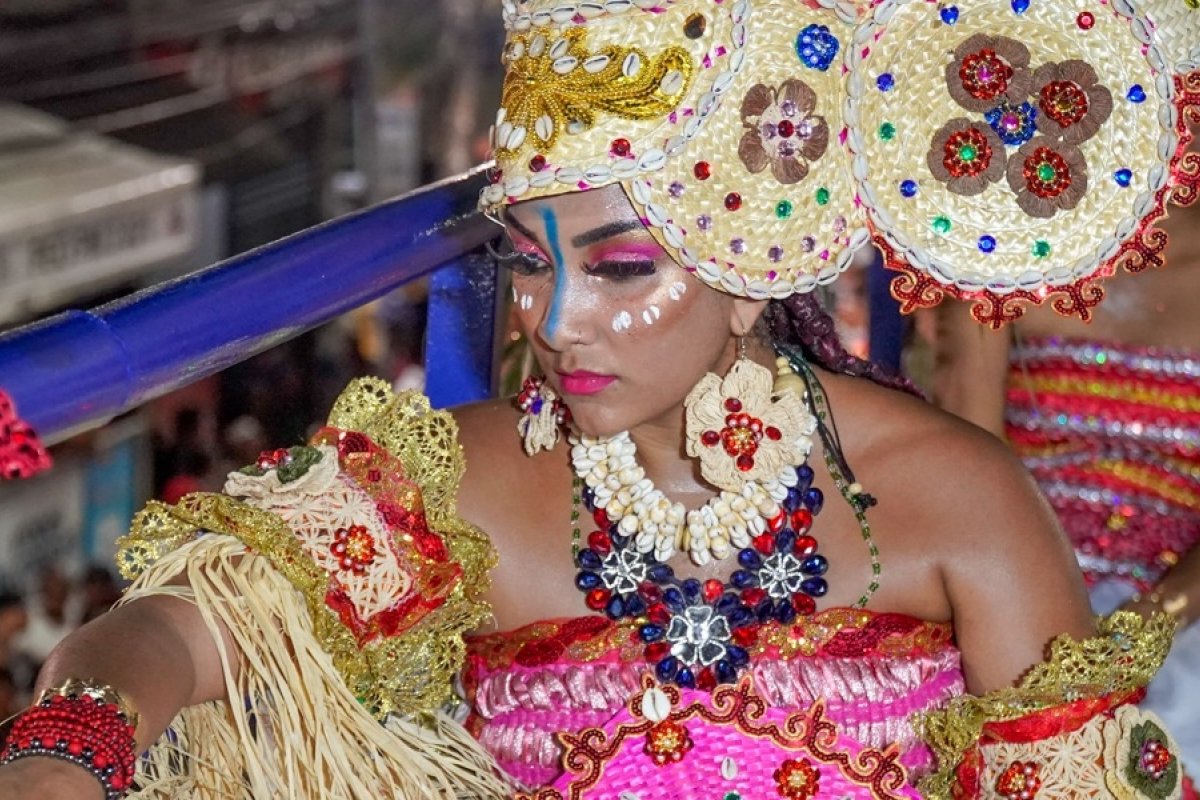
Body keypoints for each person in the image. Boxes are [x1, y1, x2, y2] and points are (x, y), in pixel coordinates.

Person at [0, 0, 1189, 798]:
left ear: (749, 275)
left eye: (620, 265)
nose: (550, 317)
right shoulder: (449, 484)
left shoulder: (959, 500)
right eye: (526, 256)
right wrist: (68, 749)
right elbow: (175, 626)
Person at [932, 193, 1200, 772]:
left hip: (1180, 611)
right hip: (1014, 573)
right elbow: (963, 464)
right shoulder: (1003, 256)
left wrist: (1147, 622)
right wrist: (1029, 608)